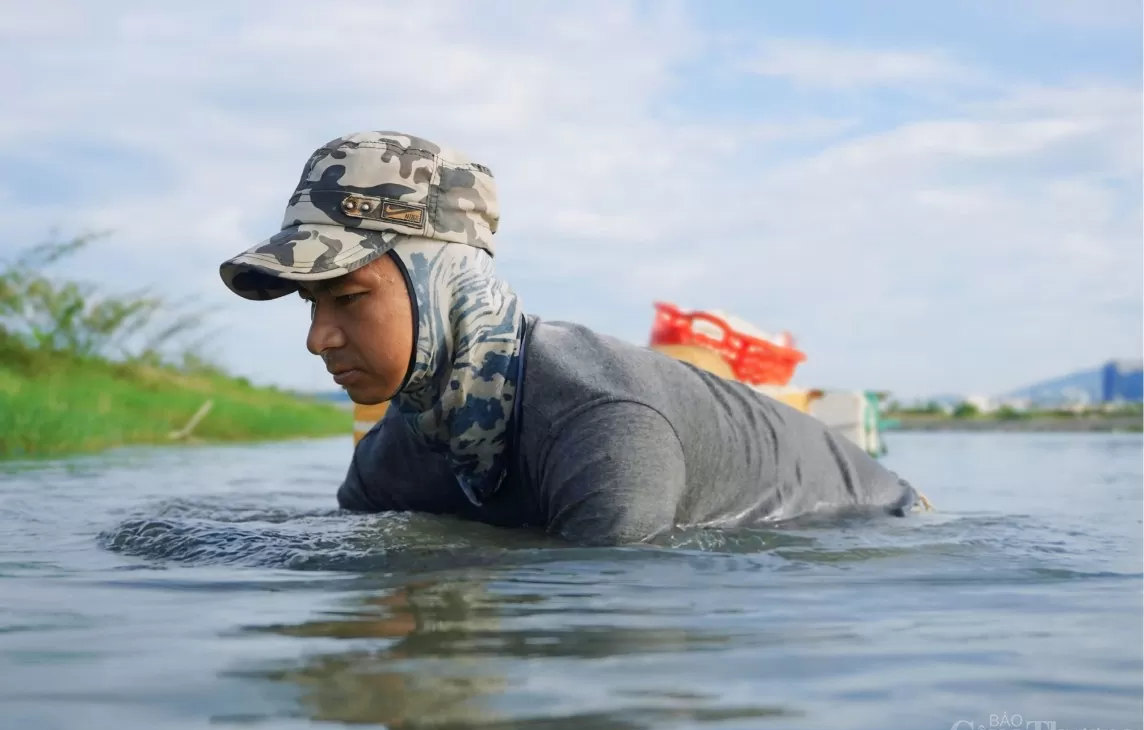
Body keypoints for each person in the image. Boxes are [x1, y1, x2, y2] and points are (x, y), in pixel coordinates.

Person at [219, 131, 926, 546]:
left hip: (882, 528)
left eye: (346, 296)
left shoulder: (604, 427)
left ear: (441, 280)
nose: (318, 338)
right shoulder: (391, 460)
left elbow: (609, 634)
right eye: (311, 304)